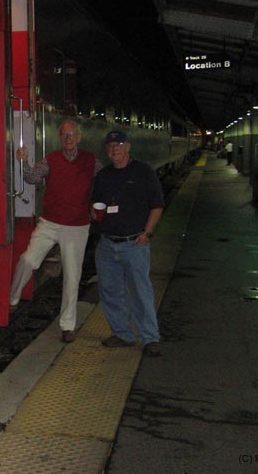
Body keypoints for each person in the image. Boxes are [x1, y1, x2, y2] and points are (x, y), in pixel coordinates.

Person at [9, 120, 101, 343]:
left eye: (72, 135)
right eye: (64, 135)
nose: (68, 139)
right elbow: (32, 177)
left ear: (79, 138)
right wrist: (23, 161)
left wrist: (100, 205)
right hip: (50, 222)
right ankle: (13, 298)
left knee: (72, 276)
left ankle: (68, 326)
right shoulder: (51, 159)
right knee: (28, 260)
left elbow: (104, 183)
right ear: (60, 138)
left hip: (77, 226)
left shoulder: (91, 162)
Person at [91, 130, 164, 357]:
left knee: (141, 292)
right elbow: (96, 204)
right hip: (107, 243)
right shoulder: (103, 176)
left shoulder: (143, 172)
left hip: (134, 243)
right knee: (111, 292)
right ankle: (122, 333)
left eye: (119, 144)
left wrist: (148, 233)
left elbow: (157, 205)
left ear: (128, 147)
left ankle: (150, 338)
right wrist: (94, 214)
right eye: (110, 145)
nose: (115, 148)